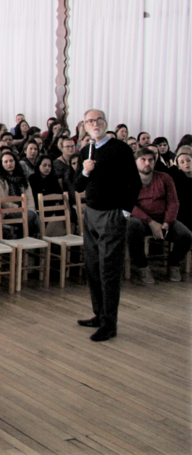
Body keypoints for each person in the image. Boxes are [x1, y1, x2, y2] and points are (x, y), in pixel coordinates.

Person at [73, 109, 141, 342]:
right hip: (91, 214)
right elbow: (78, 186)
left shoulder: (120, 149)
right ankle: (99, 315)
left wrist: (124, 211)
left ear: (105, 123)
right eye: (90, 121)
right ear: (85, 125)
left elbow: (134, 182)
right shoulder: (85, 150)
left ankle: (109, 323)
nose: (95, 124)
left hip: (112, 215)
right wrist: (85, 170)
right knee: (92, 266)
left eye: (98, 120)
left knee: (108, 269)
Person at [127, 148, 191, 284]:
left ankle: (174, 264)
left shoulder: (165, 178)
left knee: (186, 235)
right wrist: (150, 222)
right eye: (143, 160)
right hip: (141, 220)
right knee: (132, 227)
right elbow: (129, 206)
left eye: (150, 160)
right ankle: (143, 267)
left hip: (163, 220)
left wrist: (168, 222)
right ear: (135, 162)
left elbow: (173, 202)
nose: (147, 163)